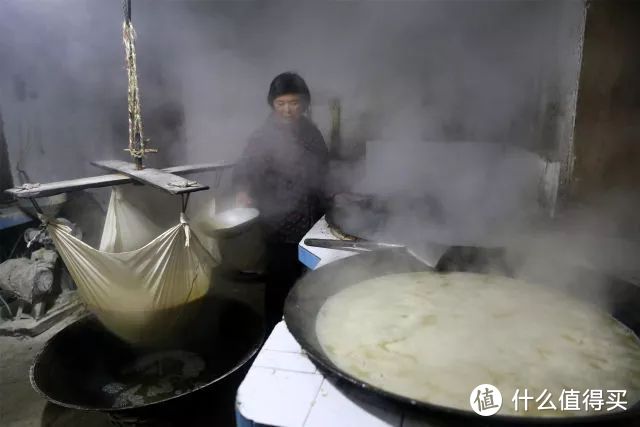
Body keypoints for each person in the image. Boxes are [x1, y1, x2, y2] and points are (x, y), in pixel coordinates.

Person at [233, 72, 329, 330]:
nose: (288, 109)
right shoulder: (263, 136)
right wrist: (244, 190)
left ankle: (305, 328)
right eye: (281, 103)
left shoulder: (312, 133)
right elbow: (246, 168)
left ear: (305, 103)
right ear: (273, 105)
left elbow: (324, 169)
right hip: (280, 224)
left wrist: (334, 193)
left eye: (294, 103)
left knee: (308, 281)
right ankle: (273, 332)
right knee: (279, 283)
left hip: (313, 222)